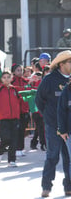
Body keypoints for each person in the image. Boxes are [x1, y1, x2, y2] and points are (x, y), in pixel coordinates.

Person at [35, 50, 71, 197]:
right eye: (69, 62)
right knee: (52, 156)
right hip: (53, 126)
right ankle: (46, 186)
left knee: (68, 158)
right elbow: (39, 100)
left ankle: (68, 186)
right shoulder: (49, 80)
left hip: (68, 127)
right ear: (61, 64)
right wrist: (49, 117)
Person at [0, 71, 29, 167]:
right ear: (1, 79)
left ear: (11, 78)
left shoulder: (15, 90)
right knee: (6, 138)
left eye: (8, 77)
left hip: (15, 118)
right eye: (4, 77)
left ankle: (12, 160)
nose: (6, 79)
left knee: (14, 140)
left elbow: (26, 94)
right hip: (3, 119)